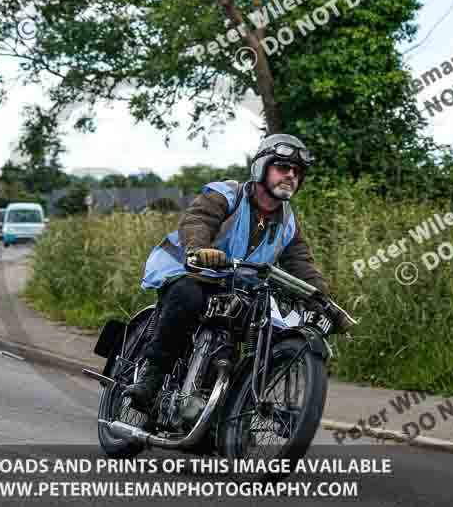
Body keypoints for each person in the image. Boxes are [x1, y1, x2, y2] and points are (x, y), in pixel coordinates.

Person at [124, 133, 352, 408]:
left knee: (265, 324)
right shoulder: (227, 193)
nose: (291, 175)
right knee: (188, 297)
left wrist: (323, 300)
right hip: (193, 271)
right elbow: (199, 220)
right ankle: (152, 376)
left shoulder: (288, 222)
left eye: (297, 171)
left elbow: (301, 263)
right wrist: (199, 249)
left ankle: (225, 403)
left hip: (239, 288)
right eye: (282, 167)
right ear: (262, 167)